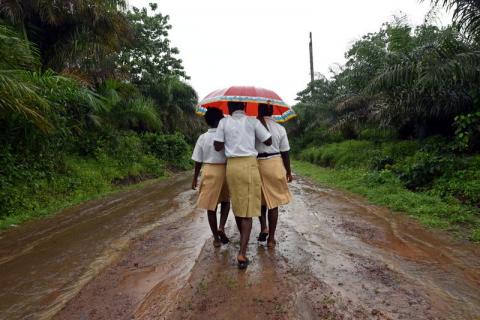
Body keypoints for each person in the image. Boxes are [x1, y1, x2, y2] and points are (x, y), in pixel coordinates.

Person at [214, 101, 272, 269]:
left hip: (232, 166)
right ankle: (242, 253)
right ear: (245, 105)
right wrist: (259, 123)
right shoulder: (253, 121)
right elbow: (268, 141)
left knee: (239, 205)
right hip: (249, 164)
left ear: (229, 107)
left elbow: (217, 146)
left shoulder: (223, 122)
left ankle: (243, 244)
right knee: (247, 211)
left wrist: (230, 140)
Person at [192, 108, 231, 248]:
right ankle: (221, 226)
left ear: (207, 121)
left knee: (211, 207)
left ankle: (216, 238)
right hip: (225, 170)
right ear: (220, 120)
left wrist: (195, 178)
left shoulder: (202, 137)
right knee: (226, 202)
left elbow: (198, 160)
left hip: (208, 170)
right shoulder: (227, 136)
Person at [256, 103, 293, 248]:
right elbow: (285, 152)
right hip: (275, 163)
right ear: (272, 111)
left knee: (260, 200)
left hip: (257, 163)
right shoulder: (280, 128)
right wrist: (288, 171)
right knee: (274, 203)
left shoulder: (254, 126)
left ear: (258, 110)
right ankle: (271, 239)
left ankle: (263, 226)